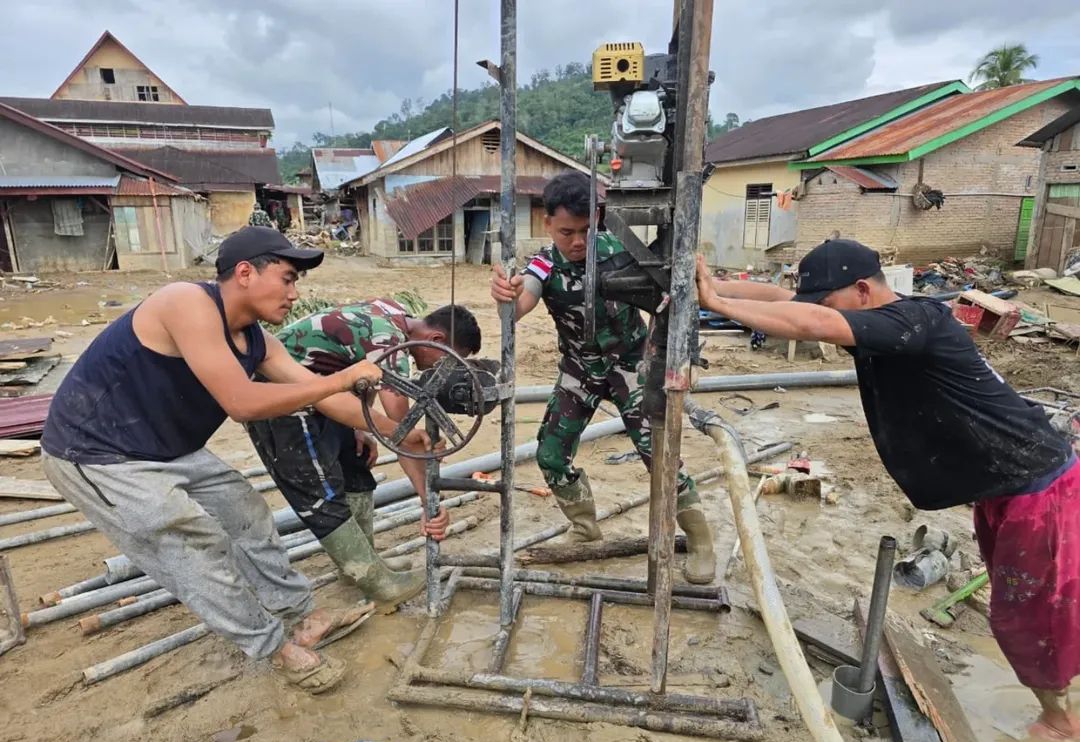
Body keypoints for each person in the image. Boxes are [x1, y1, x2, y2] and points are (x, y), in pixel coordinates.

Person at [695, 238, 1079, 740]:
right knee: (1034, 603)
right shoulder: (884, 321)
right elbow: (786, 300)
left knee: (1031, 615)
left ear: (861, 290)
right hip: (1005, 485)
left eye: (827, 302)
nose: (821, 313)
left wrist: (719, 305)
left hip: (1038, 488)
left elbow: (815, 323)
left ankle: (1059, 722)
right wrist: (712, 285)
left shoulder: (914, 323)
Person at [40, 226, 433, 695]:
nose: (294, 293)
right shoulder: (184, 302)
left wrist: (398, 431)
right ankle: (275, 650)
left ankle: (303, 617)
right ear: (245, 273)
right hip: (97, 453)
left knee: (246, 513)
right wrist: (342, 378)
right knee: (195, 544)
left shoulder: (258, 341)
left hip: (169, 448)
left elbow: (322, 399)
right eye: (287, 278)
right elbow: (241, 402)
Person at [490, 170, 716, 584]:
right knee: (550, 454)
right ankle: (584, 526)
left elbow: (667, 298)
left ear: (597, 219)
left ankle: (700, 540)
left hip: (632, 365)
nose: (577, 241)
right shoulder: (543, 264)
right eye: (566, 232)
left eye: (584, 230)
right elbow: (523, 302)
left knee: (659, 454)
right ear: (547, 224)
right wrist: (507, 296)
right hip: (580, 368)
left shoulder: (621, 251)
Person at [246, 299, 482, 604]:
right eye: (446, 359)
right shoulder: (389, 342)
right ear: (435, 339)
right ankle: (378, 582)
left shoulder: (393, 312)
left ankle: (360, 564)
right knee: (321, 492)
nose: (443, 369)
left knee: (356, 461)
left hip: (325, 394)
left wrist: (363, 427)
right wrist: (428, 501)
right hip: (280, 400)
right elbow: (402, 435)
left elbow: (364, 371)